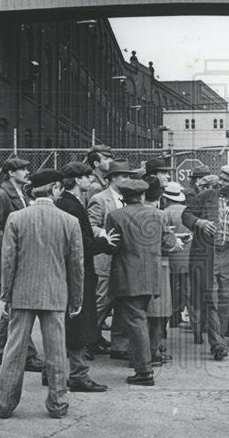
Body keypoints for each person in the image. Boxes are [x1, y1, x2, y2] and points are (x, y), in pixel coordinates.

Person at [0, 169, 86, 418]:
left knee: (14, 349)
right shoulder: (70, 222)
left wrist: (5, 295)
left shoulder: (16, 218)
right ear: (56, 188)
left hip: (22, 293)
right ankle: (58, 404)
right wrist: (76, 298)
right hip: (56, 294)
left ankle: (5, 403)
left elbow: (8, 261)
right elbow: (76, 266)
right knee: (56, 351)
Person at [101, 178, 174, 385]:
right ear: (142, 195)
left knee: (136, 322)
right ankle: (143, 366)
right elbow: (168, 244)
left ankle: (144, 371)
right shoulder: (158, 215)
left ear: (124, 196)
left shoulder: (115, 216)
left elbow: (112, 246)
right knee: (139, 320)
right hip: (152, 276)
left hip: (126, 277)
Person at [0, 157, 45, 369]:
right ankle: (27, 355)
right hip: (7, 261)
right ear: (10, 173)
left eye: (26, 168)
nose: (26, 172)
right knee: (18, 310)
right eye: (21, 169)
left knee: (12, 309)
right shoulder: (1, 196)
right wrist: (12, 243)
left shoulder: (22, 195)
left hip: (20, 262)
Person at [55, 161, 112, 392]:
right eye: (88, 177)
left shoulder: (72, 203)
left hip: (75, 272)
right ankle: (78, 374)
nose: (91, 180)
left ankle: (56, 373)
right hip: (78, 274)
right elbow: (80, 244)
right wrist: (104, 243)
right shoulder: (72, 205)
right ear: (78, 180)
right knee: (76, 324)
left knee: (70, 324)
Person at [183, 166, 229, 360]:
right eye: (221, 178)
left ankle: (220, 337)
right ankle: (217, 343)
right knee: (211, 298)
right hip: (208, 254)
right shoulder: (206, 196)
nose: (221, 183)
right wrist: (199, 223)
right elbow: (186, 215)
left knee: (226, 299)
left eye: (226, 181)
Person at [86, 159, 136, 360]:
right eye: (124, 176)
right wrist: (107, 234)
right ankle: (88, 341)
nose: (128, 179)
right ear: (113, 178)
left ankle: (119, 345)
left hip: (124, 259)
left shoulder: (128, 198)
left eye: (129, 176)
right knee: (101, 301)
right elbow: (90, 225)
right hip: (105, 258)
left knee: (122, 302)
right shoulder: (100, 198)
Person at [144, 176, 179, 366]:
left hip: (136, 269)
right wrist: (175, 238)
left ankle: (142, 353)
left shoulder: (122, 213)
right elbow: (168, 243)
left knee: (140, 314)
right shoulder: (160, 215)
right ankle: (152, 353)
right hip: (159, 267)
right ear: (159, 197)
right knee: (159, 312)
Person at [161, 181, 193, 331]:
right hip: (188, 256)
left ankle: (173, 318)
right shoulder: (189, 211)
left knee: (172, 290)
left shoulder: (164, 213)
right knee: (188, 291)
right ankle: (194, 322)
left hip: (171, 256)